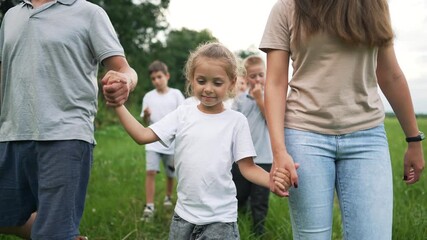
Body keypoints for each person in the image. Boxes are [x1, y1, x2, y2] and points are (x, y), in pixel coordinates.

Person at [260, 0, 425, 239]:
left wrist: (414, 139)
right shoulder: (287, 7)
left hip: (367, 138)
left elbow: (390, 74)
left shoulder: (375, 5)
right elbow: (275, 83)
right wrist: (278, 151)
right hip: (305, 136)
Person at [108, 42, 291, 239]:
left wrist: (270, 181)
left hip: (220, 220)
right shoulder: (183, 113)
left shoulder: (236, 121)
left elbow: (247, 167)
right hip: (183, 216)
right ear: (191, 79)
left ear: (231, 82)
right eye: (201, 81)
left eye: (217, 83)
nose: (208, 89)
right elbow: (142, 136)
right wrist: (118, 104)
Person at [0, 1, 137, 240]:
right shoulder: (11, 15)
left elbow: (125, 69)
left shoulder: (90, 13)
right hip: (10, 133)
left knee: (52, 232)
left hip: (65, 136)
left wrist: (125, 81)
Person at [231, 55, 272, 236]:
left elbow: (272, 121)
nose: (257, 80)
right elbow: (232, 124)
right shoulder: (239, 100)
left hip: (264, 158)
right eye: (253, 76)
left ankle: (258, 232)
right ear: (246, 78)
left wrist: (259, 99)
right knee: (239, 195)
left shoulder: (271, 97)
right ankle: (238, 227)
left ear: (266, 74)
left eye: (260, 75)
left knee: (260, 200)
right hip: (241, 158)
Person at [140, 60, 185, 220]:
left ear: (167, 76)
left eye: (159, 77)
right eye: (153, 78)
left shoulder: (176, 94)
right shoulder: (148, 96)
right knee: (150, 171)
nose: (156, 81)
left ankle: (168, 196)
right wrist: (146, 115)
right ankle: (150, 206)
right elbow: (145, 122)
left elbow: (183, 117)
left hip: (172, 143)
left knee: (170, 172)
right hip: (152, 142)